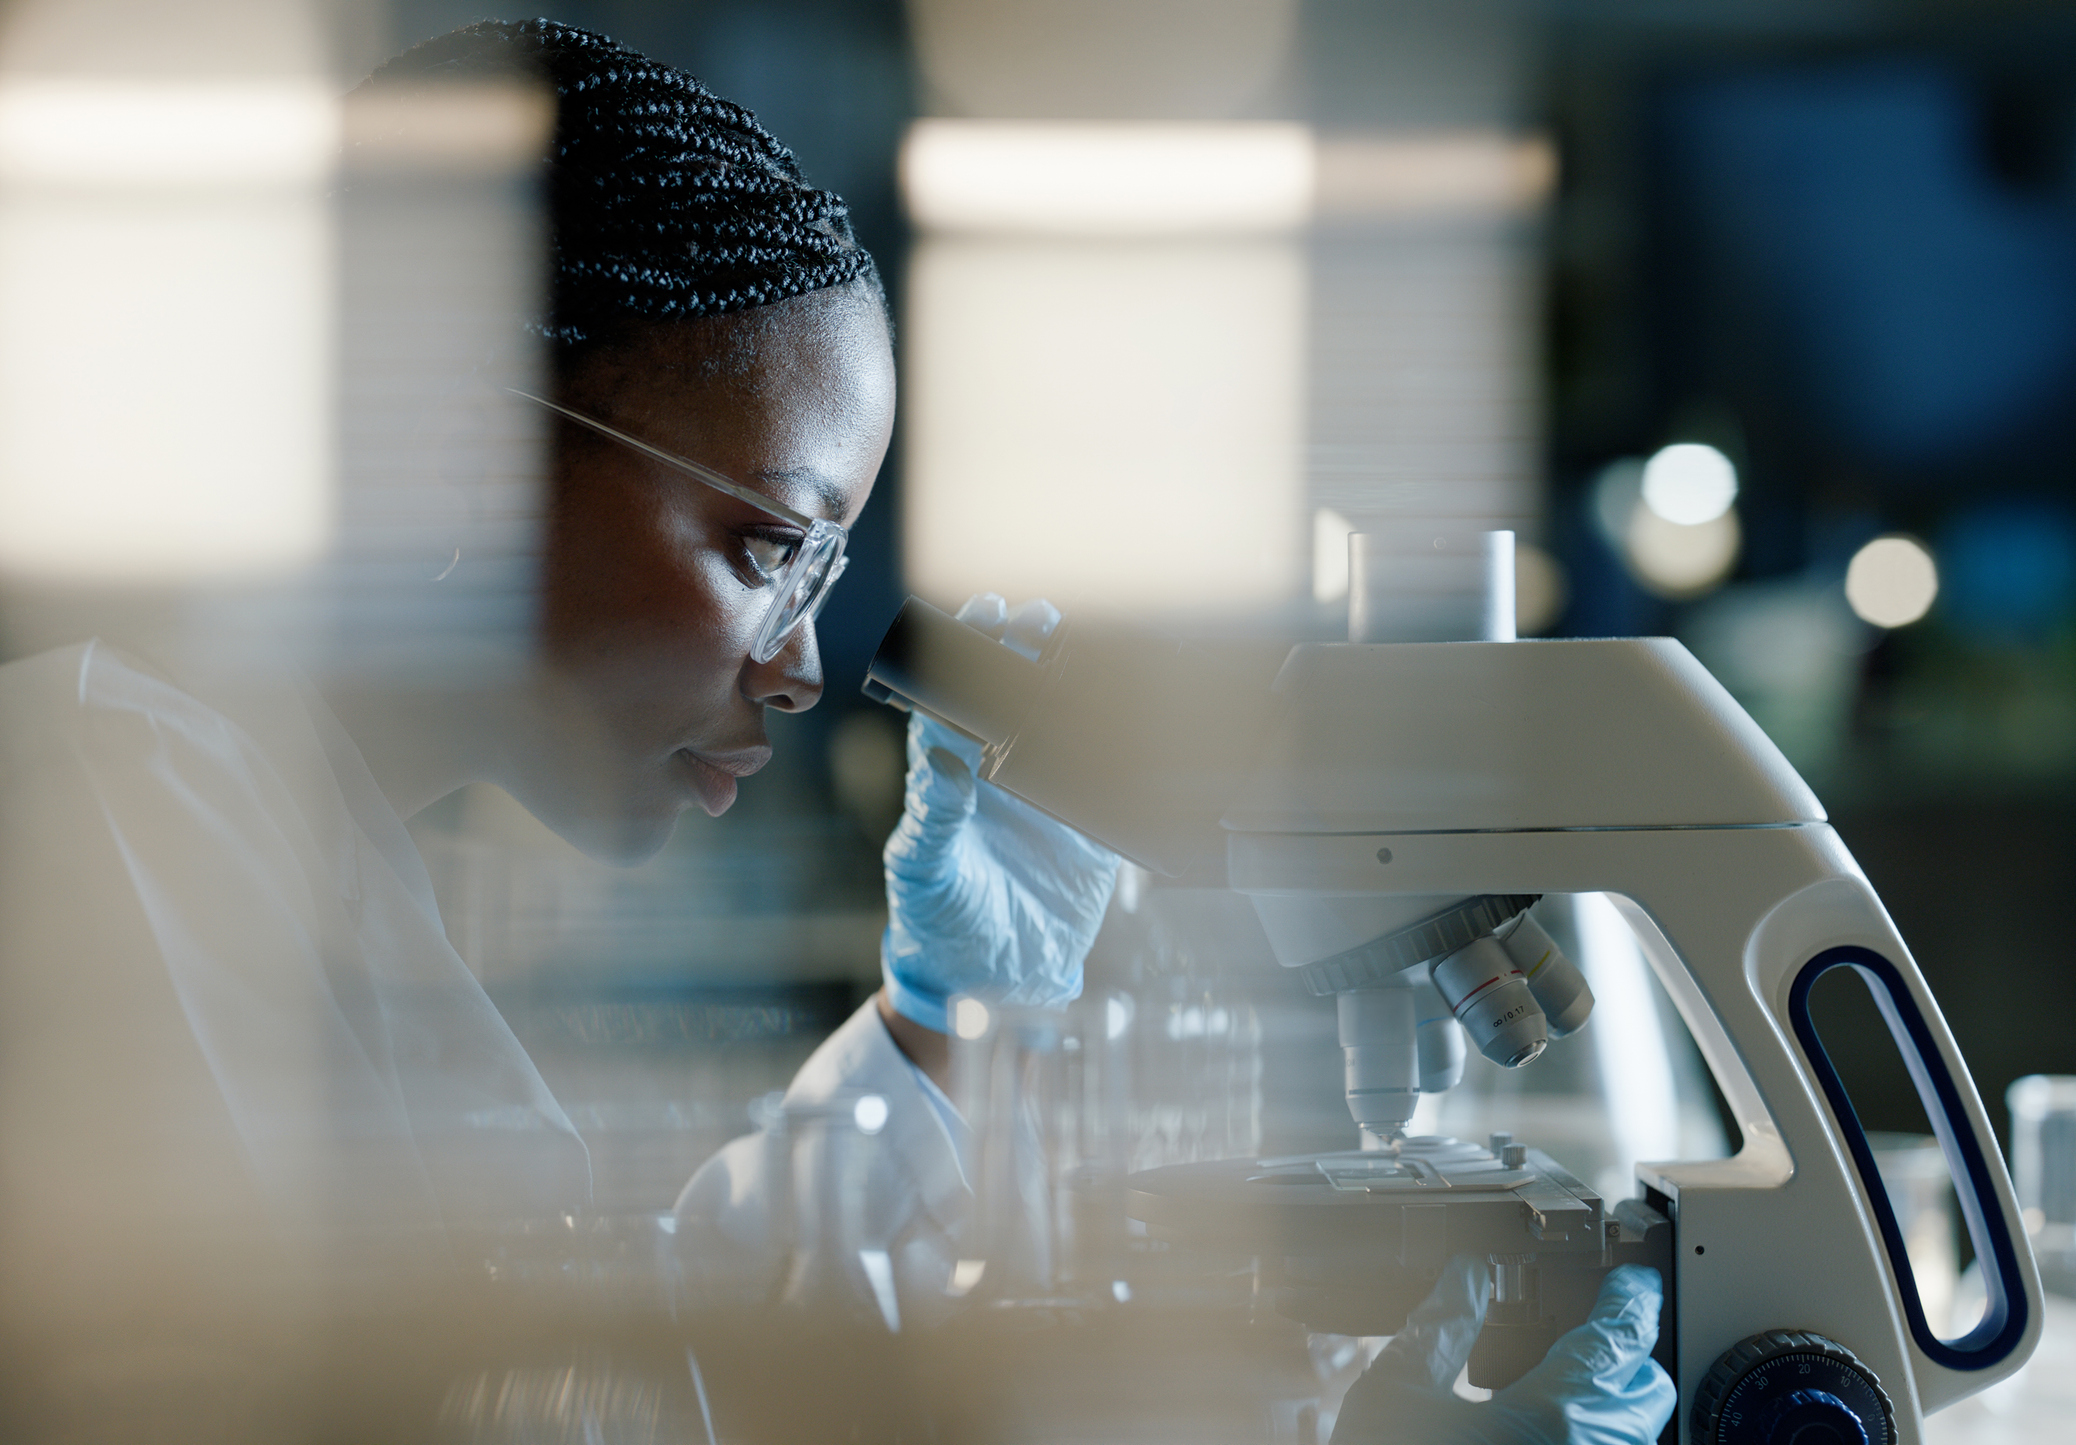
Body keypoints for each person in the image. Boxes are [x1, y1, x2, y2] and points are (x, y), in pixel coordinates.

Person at [0, 19, 1669, 1441]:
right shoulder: (100, 818)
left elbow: (585, 1355)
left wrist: (948, 1018)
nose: (800, 668)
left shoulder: (280, 827)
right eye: (766, 545)